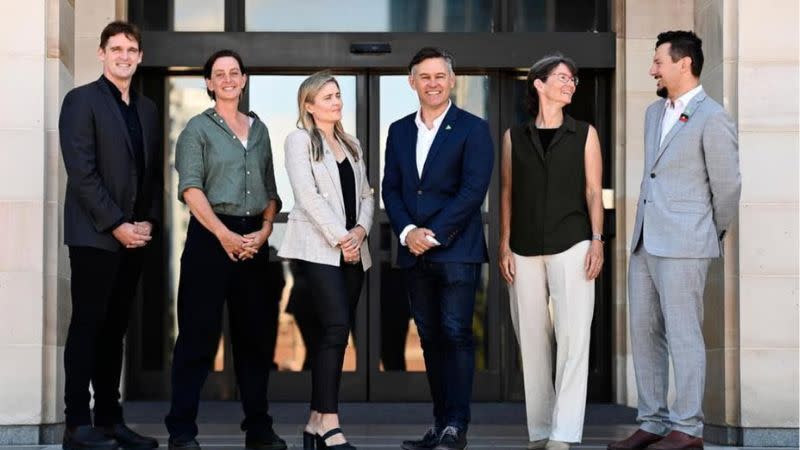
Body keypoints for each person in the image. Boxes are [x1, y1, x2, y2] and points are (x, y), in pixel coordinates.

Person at [608, 31, 740, 450]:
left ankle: (688, 429)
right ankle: (653, 421)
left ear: (684, 64)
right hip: (645, 242)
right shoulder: (652, 113)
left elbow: (728, 188)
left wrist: (708, 233)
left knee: (684, 335)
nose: (652, 69)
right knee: (644, 333)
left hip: (686, 243)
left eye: (658, 62)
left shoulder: (712, 116)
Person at [164, 49, 285, 450]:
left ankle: (258, 428)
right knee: (198, 338)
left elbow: (271, 190)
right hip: (210, 236)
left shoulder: (262, 130)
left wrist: (266, 228)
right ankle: (182, 430)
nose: (229, 79)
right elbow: (191, 190)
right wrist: (223, 234)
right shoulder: (196, 130)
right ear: (210, 83)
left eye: (235, 72)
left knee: (256, 340)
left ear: (244, 79)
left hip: (254, 239)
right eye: (220, 74)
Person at [382, 47, 494, 450]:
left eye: (439, 76)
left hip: (457, 250)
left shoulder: (473, 128)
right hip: (413, 251)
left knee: (455, 334)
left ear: (452, 80)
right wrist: (409, 230)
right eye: (424, 76)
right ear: (412, 82)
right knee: (429, 337)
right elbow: (391, 188)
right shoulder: (398, 130)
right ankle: (439, 422)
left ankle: (456, 426)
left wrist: (432, 233)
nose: (433, 83)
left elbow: (472, 190)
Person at [58, 20, 161, 450]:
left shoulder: (148, 109)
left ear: (139, 57)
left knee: (115, 329)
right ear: (102, 53)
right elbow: (82, 172)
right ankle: (76, 425)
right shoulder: (81, 101)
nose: (124, 55)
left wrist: (147, 223)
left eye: (131, 49)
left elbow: (151, 173)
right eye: (115, 48)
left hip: (134, 237)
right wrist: (117, 223)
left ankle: (109, 420)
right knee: (88, 325)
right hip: (94, 235)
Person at [498, 53, 603, 450]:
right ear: (538, 84)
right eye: (562, 77)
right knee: (532, 338)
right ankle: (540, 431)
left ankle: (563, 434)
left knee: (574, 338)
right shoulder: (513, 137)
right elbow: (507, 192)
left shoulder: (585, 133)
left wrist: (597, 239)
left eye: (573, 79)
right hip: (522, 246)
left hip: (573, 241)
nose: (570, 84)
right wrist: (504, 244)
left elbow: (594, 191)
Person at [278, 71, 374, 450]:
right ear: (309, 105)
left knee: (331, 337)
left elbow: (367, 195)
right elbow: (307, 195)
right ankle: (331, 424)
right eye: (327, 96)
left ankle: (315, 422)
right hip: (319, 250)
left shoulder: (352, 145)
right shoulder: (299, 140)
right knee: (335, 329)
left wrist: (360, 233)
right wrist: (341, 238)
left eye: (337, 95)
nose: (336, 101)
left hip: (354, 250)